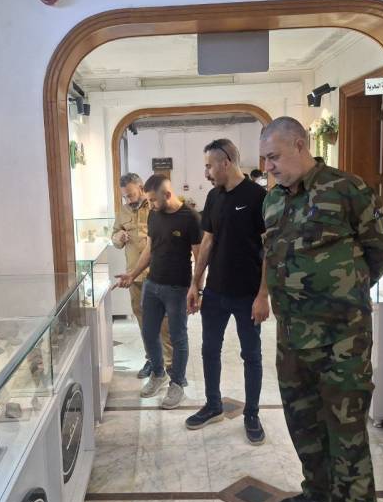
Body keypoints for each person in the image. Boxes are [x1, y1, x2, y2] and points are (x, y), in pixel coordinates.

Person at [259, 117, 383, 502]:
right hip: (291, 338)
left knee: (346, 432)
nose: (268, 166)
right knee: (303, 422)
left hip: (342, 339)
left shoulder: (347, 189)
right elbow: (271, 256)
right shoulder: (273, 201)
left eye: (274, 157)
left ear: (300, 145)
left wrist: (347, 291)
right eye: (265, 159)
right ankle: (317, 493)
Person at [184, 139, 269, 446]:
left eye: (209, 166)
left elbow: (269, 249)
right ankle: (213, 405)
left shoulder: (259, 197)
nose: (206, 172)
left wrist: (263, 295)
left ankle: (252, 414)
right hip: (216, 293)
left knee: (251, 355)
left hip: (248, 294)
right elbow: (207, 242)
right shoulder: (213, 196)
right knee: (209, 350)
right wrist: (195, 283)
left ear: (226, 162)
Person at [116, 175, 202, 409]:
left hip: (177, 288)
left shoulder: (190, 218)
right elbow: (149, 249)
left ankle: (177, 384)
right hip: (152, 285)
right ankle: (158, 373)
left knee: (177, 337)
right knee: (148, 333)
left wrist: (197, 288)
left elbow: (199, 257)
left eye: (153, 200)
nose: (151, 205)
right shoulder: (154, 214)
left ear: (167, 194)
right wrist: (133, 274)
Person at [111, 173, 173, 379]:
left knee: (164, 322)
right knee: (144, 322)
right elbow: (114, 238)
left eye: (131, 194)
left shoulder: (156, 206)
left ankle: (170, 363)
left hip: (158, 274)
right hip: (135, 276)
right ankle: (152, 360)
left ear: (140, 187)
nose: (128, 200)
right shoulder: (122, 212)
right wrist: (118, 237)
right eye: (125, 196)